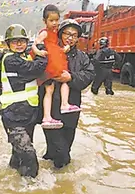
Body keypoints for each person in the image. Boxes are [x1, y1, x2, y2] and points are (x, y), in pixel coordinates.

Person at [38, 19, 95, 168]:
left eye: (74, 35)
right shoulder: (49, 50)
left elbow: (89, 75)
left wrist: (71, 77)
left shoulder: (82, 57)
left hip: (71, 111)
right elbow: (35, 70)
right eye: (67, 34)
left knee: (61, 149)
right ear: (60, 34)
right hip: (51, 112)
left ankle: (52, 177)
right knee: (63, 156)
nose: (70, 38)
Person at [0, 24, 47, 178]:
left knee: (18, 155)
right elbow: (39, 67)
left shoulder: (24, 57)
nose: (19, 44)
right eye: (14, 41)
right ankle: (30, 187)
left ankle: (10, 181)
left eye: (22, 41)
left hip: (28, 114)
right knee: (29, 155)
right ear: (8, 44)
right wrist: (39, 46)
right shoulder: (11, 60)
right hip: (13, 117)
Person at [31, 4, 80, 130]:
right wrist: (38, 52)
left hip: (56, 61)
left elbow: (54, 48)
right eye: (51, 20)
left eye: (56, 20)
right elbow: (34, 44)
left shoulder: (54, 34)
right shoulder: (45, 33)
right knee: (50, 89)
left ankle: (64, 105)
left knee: (60, 83)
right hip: (51, 64)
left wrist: (64, 49)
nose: (54, 23)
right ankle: (47, 116)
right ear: (44, 21)